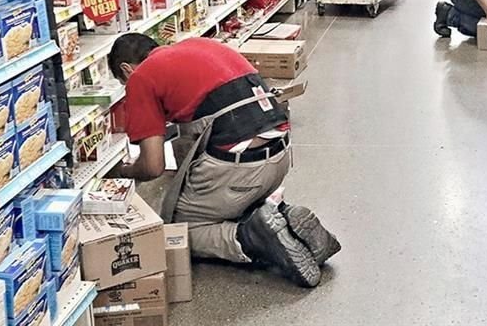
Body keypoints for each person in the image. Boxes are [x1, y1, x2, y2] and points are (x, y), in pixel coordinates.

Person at [108, 34, 340, 287]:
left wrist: (122, 171)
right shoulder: (199, 45)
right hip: (280, 154)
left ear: (126, 69)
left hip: (239, 168)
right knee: (220, 199)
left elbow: (153, 167)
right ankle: (283, 219)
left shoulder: (141, 77)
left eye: (123, 82)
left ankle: (251, 237)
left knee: (178, 231)